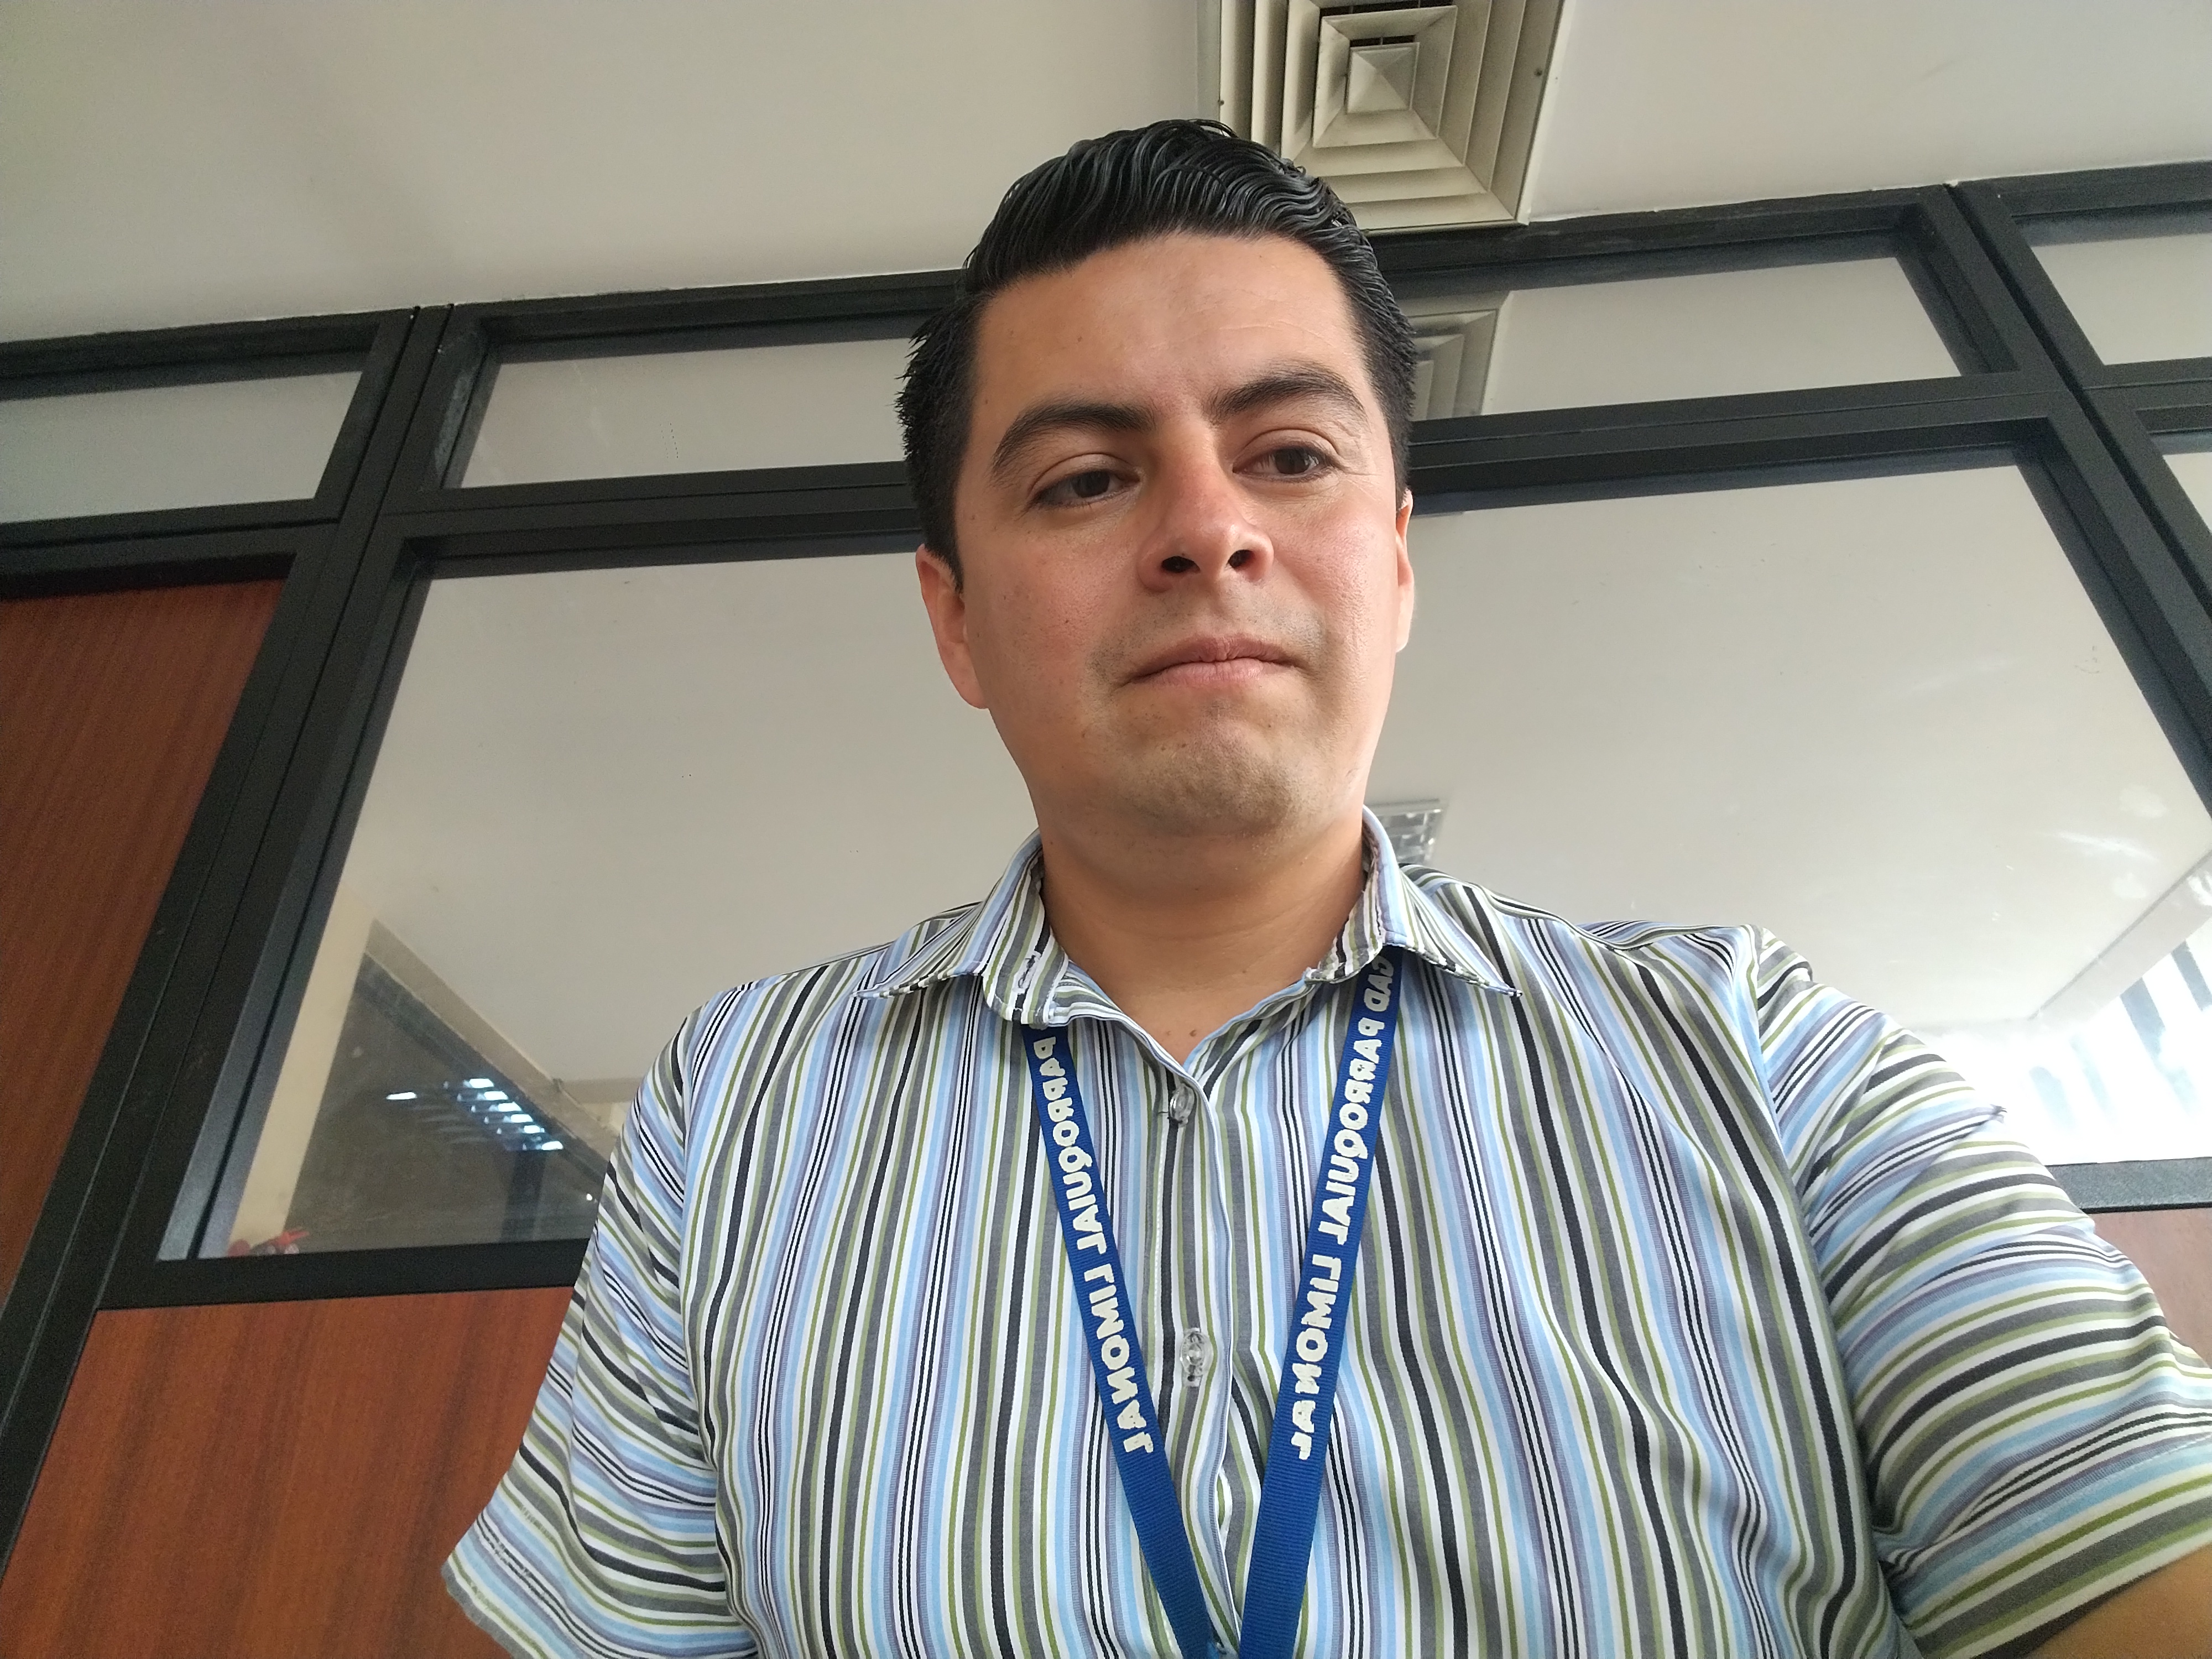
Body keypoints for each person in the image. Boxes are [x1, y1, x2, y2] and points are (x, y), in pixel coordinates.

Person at [446, 120, 2212, 1657]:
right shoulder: (740, 1103)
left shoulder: (1764, 1052)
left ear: (1398, 564)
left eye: (1290, 456)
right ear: (956, 620)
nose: (1206, 529)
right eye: (1086, 479)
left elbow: (2130, 1544)